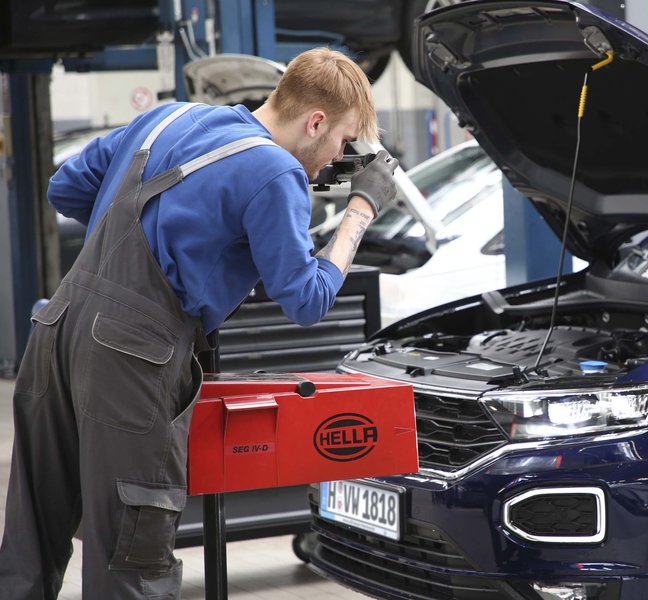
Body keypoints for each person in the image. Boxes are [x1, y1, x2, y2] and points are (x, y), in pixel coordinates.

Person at [0, 47, 398, 599]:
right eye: (342, 140)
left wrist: (131, 261)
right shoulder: (276, 172)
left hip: (56, 328)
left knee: (30, 545)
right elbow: (307, 300)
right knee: (129, 559)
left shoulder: (171, 116)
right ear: (315, 122)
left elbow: (65, 187)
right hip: (131, 357)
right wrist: (360, 210)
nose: (338, 157)